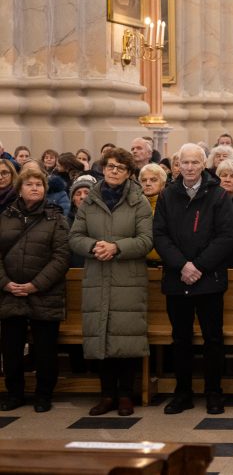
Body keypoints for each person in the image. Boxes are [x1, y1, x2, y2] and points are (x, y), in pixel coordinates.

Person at [68, 147, 153, 417]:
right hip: (97, 275)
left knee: (125, 338)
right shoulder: (90, 200)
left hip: (127, 277)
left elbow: (146, 240)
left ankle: (126, 395)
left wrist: (116, 247)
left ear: (129, 173)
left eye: (120, 167)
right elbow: (75, 236)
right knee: (101, 335)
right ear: (103, 169)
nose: (114, 171)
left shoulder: (138, 201)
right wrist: (95, 246)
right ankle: (106, 395)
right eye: (110, 166)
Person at [153, 143, 233, 416]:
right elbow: (160, 236)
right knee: (181, 339)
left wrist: (198, 266)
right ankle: (183, 393)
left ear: (204, 165)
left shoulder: (219, 195)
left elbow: (225, 236)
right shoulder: (167, 196)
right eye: (184, 163)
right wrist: (182, 265)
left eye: (194, 163)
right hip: (178, 279)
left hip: (208, 278)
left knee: (213, 339)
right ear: (178, 166)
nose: (189, 168)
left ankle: (214, 392)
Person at [0, 168, 70, 412]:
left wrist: (35, 285)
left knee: (45, 349)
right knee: (11, 348)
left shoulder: (56, 218)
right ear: (20, 189)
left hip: (44, 292)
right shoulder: (6, 216)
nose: (34, 188)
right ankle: (14, 393)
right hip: (10, 292)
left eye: (39, 185)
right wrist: (5, 283)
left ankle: (43, 395)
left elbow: (61, 257)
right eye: (29, 184)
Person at [138, 163, 167, 266]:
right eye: (144, 180)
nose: (148, 183)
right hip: (138, 262)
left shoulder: (170, 206)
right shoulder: (133, 205)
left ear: (163, 184)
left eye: (153, 180)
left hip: (164, 262)